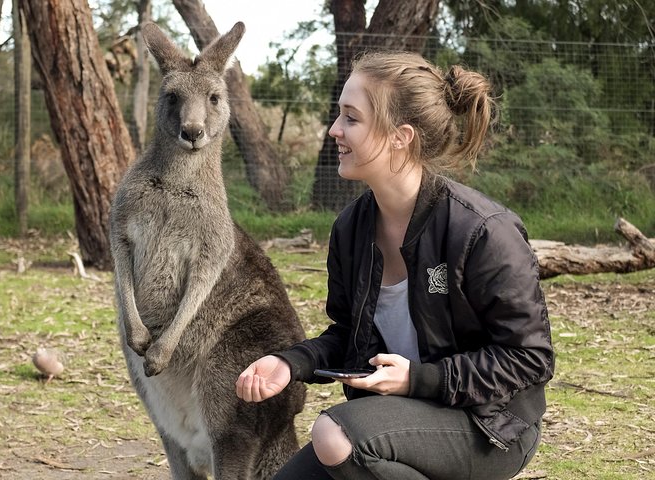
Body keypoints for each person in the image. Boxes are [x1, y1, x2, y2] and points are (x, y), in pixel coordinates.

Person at [235, 50, 555, 480]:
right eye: (339, 115)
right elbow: (349, 336)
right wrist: (291, 363)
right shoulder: (351, 229)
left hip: (489, 426)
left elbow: (530, 359)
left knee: (334, 436)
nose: (334, 130)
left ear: (400, 136)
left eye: (351, 118)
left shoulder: (481, 231)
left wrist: (418, 379)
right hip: (396, 417)